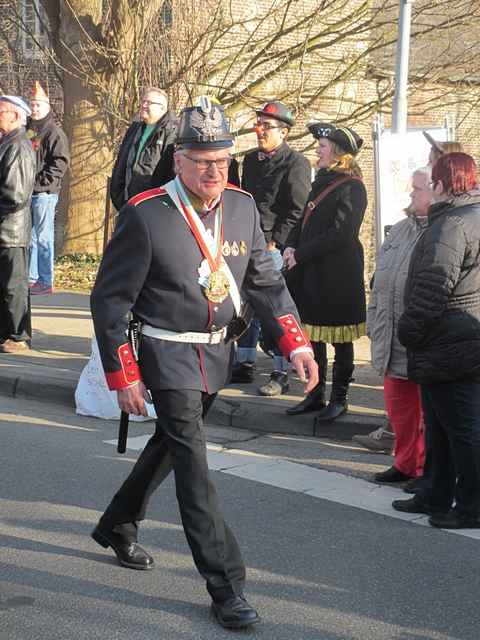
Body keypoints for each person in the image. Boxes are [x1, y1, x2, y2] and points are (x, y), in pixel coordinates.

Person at [89, 97, 318, 629]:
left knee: (171, 444)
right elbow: (110, 301)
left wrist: (295, 342)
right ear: (178, 161)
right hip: (166, 355)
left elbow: (263, 279)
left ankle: (118, 523)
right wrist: (123, 375)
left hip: (215, 352)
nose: (213, 170)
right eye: (201, 159)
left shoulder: (242, 206)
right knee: (194, 467)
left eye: (221, 158)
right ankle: (225, 584)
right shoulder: (145, 214)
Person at [392, 153, 480, 529]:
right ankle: (434, 493)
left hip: (447, 341)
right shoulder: (467, 218)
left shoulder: (453, 225)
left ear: (443, 185)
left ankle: (471, 506)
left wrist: (409, 330)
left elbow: (433, 287)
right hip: (458, 339)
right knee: (441, 425)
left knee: (461, 428)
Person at [284, 122, 367, 421]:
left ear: (337, 153)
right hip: (312, 274)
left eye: (322, 146)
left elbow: (341, 234)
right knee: (313, 338)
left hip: (337, 278)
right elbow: (301, 221)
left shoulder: (353, 187)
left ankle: (339, 398)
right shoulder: (320, 181)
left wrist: (301, 253)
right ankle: (315, 395)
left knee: (341, 341)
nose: (317, 149)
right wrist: (290, 247)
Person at [357, 168, 432, 484]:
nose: (410, 193)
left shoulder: (444, 231)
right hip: (392, 335)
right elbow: (380, 281)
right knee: (400, 409)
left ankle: (427, 471)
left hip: (422, 338)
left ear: (438, 190)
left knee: (428, 413)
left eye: (417, 188)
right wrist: (374, 320)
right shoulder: (400, 230)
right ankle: (404, 463)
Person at [231, 100, 311, 396]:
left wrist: (276, 240)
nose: (259, 130)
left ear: (284, 132)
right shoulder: (251, 160)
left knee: (272, 308)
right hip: (246, 242)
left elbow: (296, 208)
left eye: (266, 126)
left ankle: (281, 371)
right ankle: (245, 362)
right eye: (258, 124)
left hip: (271, 246)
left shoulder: (297, 164)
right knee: (243, 305)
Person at [0, 95, 36, 353]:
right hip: (5, 228)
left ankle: (18, 335)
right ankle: (7, 333)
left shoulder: (19, 146)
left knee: (14, 285)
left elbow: (16, 194)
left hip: (11, 229)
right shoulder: (8, 142)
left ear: (15, 115)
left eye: (1, 111)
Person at [27, 81, 70, 296]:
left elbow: (60, 163)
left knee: (43, 237)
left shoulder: (54, 133)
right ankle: (32, 277)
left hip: (44, 192)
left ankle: (45, 279)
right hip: (27, 192)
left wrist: (42, 182)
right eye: (32, 105)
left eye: (38, 105)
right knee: (31, 236)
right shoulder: (27, 130)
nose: (34, 109)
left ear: (47, 107)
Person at [109, 87, 176, 211]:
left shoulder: (171, 133)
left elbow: (171, 175)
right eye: (143, 102)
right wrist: (117, 194)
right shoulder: (135, 129)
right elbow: (121, 164)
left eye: (149, 103)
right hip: (128, 203)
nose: (144, 105)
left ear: (162, 108)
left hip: (153, 209)